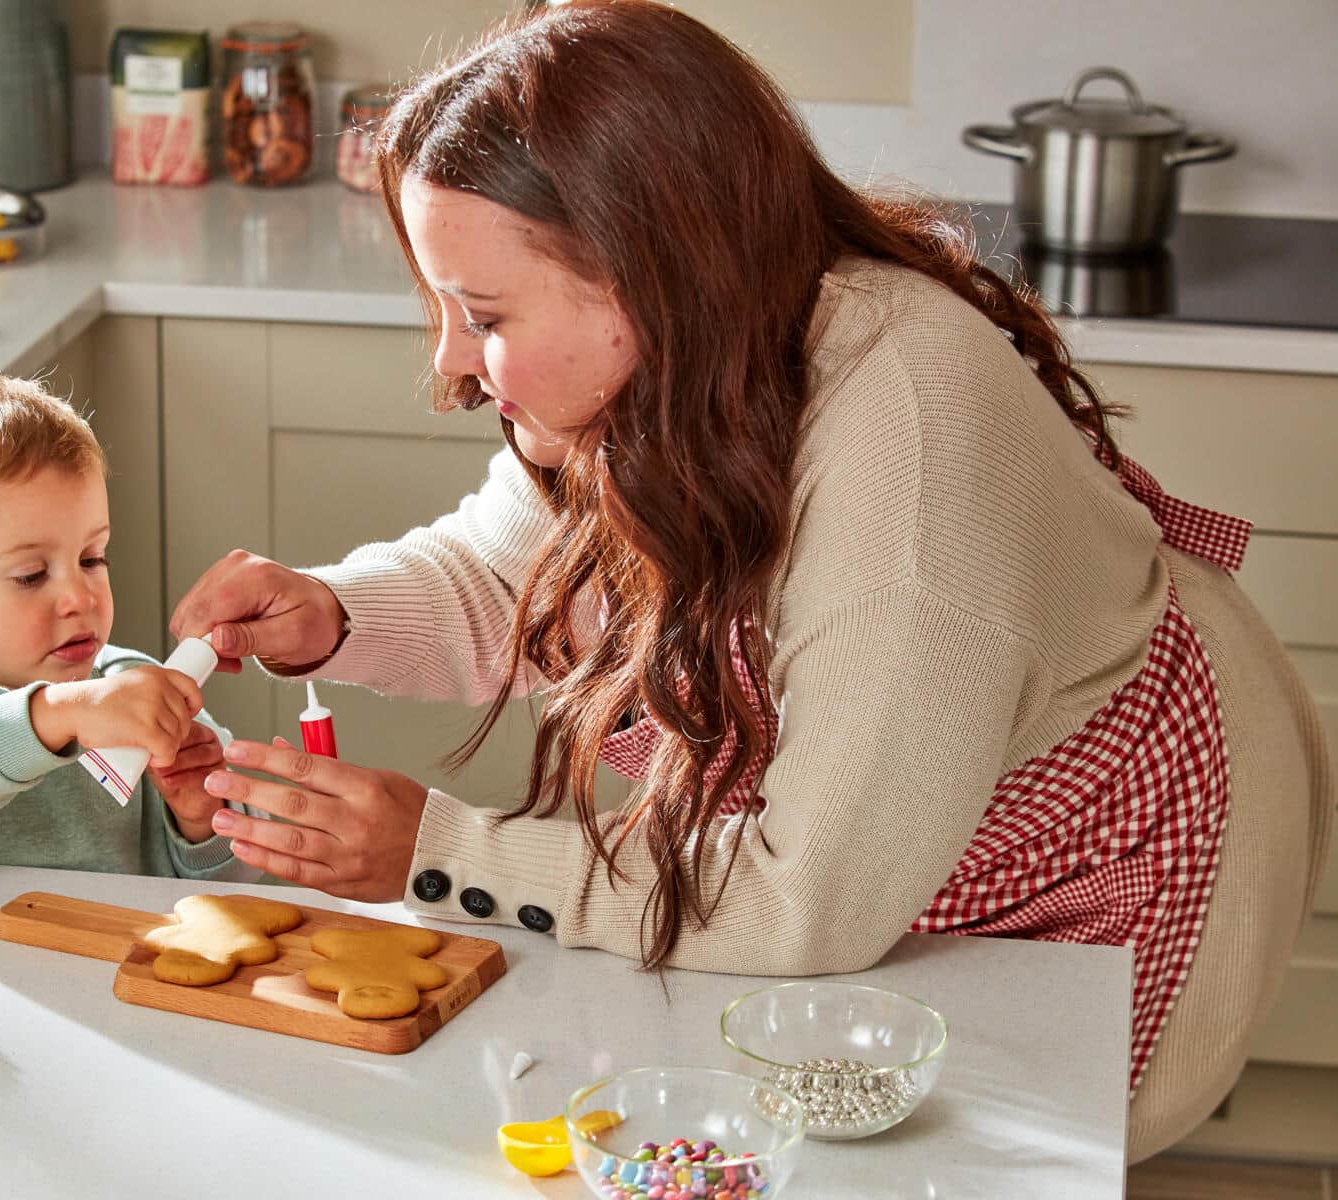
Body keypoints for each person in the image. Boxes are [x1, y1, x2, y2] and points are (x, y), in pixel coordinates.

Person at [168, 0, 1331, 1159]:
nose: (450, 365)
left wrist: (442, 852)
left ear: (640, 271)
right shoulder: (685, 358)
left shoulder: (912, 465)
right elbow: (508, 580)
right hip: (875, 855)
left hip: (1094, 859)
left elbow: (804, 903)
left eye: (480, 316)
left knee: (977, 1166)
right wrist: (334, 615)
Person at [0, 373, 258, 881]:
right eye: (30, 575)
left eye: (92, 558)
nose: (80, 597)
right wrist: (52, 717)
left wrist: (202, 820)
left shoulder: (135, 692)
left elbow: (238, 890)